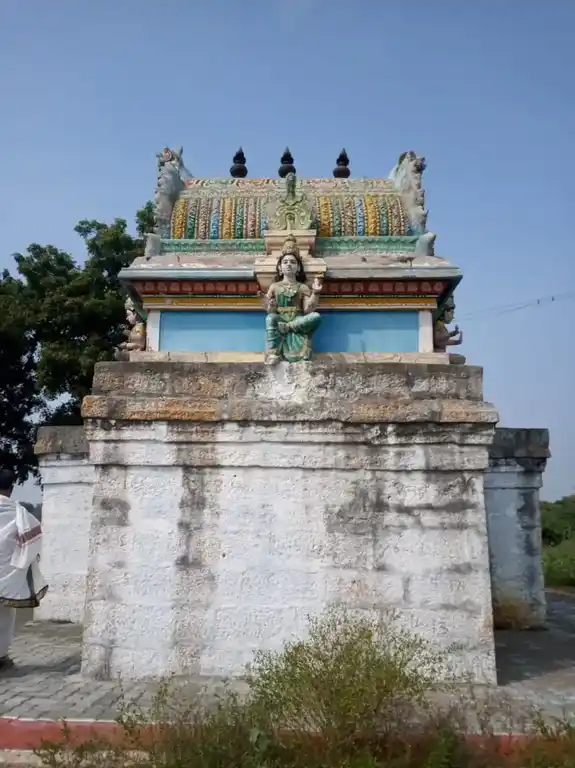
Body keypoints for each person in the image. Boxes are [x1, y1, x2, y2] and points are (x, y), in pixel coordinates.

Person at [0, 468, 48, 670]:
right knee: (4, 617)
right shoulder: (20, 513)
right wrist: (21, 564)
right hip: (8, 574)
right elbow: (32, 543)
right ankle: (1, 657)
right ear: (11, 488)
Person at [261, 234, 323, 364]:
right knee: (270, 319)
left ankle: (288, 327)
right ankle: (273, 353)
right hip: (280, 318)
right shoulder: (274, 286)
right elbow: (270, 310)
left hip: (297, 319)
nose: (289, 264)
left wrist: (315, 293)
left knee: (316, 316)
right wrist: (271, 307)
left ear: (298, 267)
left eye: (293, 262)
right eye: (285, 262)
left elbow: (308, 310)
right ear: (280, 268)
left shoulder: (302, 287)